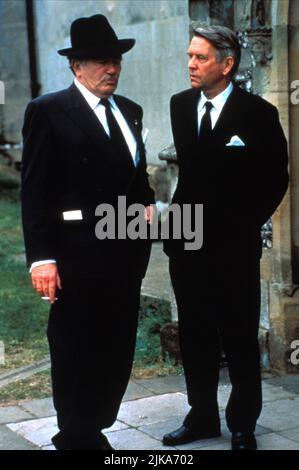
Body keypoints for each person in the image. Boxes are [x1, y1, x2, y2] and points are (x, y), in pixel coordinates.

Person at [21, 14, 154, 450]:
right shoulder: (48, 111)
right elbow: (35, 191)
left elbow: (136, 180)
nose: (111, 69)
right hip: (76, 258)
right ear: (76, 66)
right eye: (100, 61)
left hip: (126, 256)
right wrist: (42, 258)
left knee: (116, 348)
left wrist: (148, 208)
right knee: (76, 347)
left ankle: (94, 425)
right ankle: (76, 434)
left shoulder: (129, 111)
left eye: (115, 60)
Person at [163, 25, 289, 450]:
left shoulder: (258, 113)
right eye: (189, 56)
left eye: (200, 58)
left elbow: (277, 179)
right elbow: (193, 177)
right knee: (194, 335)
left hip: (233, 249)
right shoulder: (180, 106)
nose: (191, 65)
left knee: (237, 336)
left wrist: (241, 225)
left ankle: (242, 425)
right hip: (186, 242)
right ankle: (201, 418)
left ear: (227, 63)